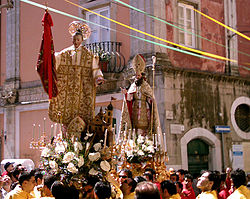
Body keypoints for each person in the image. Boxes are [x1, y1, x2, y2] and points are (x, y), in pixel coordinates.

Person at [49, 21, 104, 134]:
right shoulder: (65, 53)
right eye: (74, 40)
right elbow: (56, 61)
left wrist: (98, 77)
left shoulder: (88, 55)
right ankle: (65, 138)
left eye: (78, 40)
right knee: (65, 116)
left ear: (82, 40)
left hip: (82, 89)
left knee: (83, 114)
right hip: (67, 89)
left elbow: (95, 68)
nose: (75, 42)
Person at [120, 54, 162, 136]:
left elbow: (150, 98)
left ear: (142, 75)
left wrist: (151, 100)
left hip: (144, 109)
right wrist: (126, 94)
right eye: (136, 75)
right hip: (135, 109)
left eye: (139, 75)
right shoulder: (133, 86)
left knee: (144, 128)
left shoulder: (146, 85)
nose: (137, 77)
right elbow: (130, 99)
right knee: (135, 127)